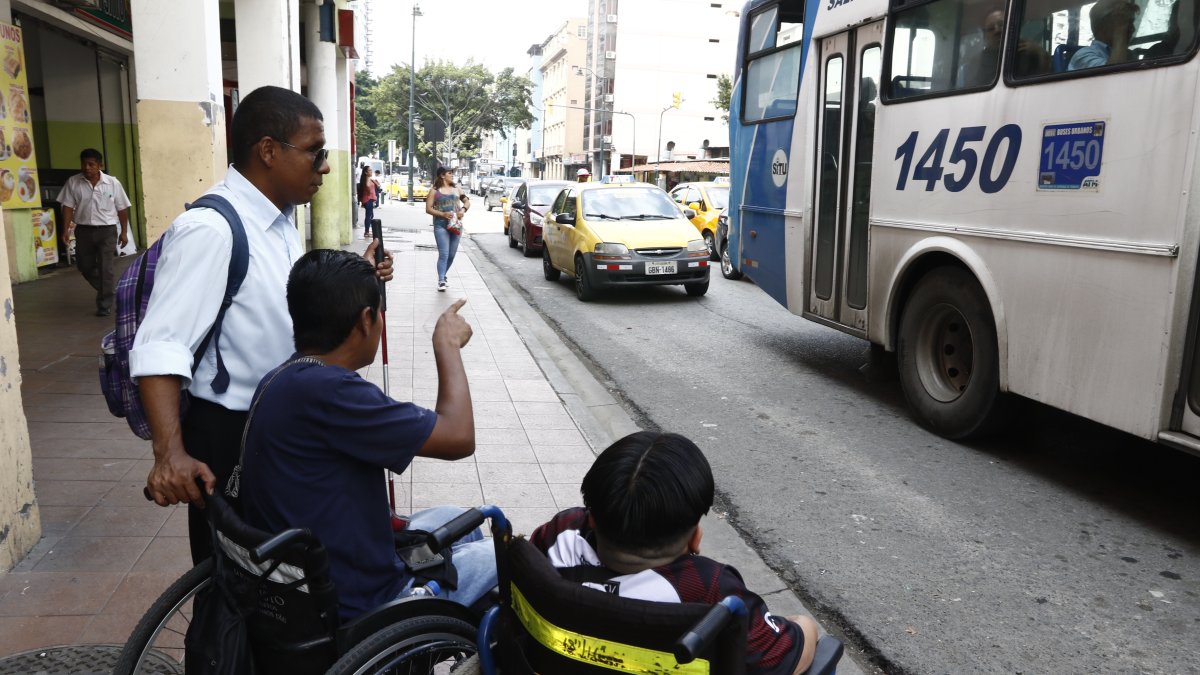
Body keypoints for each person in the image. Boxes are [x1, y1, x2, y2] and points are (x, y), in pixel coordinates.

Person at [131, 85, 394, 564]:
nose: (326, 167)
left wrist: (356, 278)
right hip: (231, 437)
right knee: (233, 589)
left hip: (278, 424)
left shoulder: (279, 223)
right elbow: (160, 347)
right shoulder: (211, 230)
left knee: (280, 583)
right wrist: (169, 454)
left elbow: (281, 308)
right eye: (315, 154)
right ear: (268, 151)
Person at [239, 248, 496, 620]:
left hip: (308, 570)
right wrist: (447, 346)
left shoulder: (285, 378)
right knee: (512, 554)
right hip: (363, 598)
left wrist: (354, 278)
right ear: (365, 319)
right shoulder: (333, 393)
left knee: (461, 522)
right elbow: (458, 437)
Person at [531, 431, 820, 675]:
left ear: (592, 517)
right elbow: (781, 662)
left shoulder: (562, 531)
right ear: (695, 538)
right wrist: (804, 626)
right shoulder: (710, 590)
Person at [59, 148, 132, 316]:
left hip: (107, 231)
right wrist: (65, 230)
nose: (87, 167)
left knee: (106, 268)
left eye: (91, 164)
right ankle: (109, 290)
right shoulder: (73, 182)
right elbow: (68, 207)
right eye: (84, 164)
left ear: (100, 165)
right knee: (84, 266)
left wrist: (124, 233)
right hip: (83, 231)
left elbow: (122, 209)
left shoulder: (113, 183)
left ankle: (104, 304)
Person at [961, 9, 1050, 85]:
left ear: (1012, 26)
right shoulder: (977, 61)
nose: (997, 30)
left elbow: (1046, 80)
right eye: (991, 29)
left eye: (1002, 25)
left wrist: (1039, 52)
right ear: (985, 36)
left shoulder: (1028, 50)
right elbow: (972, 91)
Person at [425, 166, 469, 292]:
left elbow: (467, 202)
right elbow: (428, 209)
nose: (452, 175)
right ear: (442, 175)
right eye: (450, 173)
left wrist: (463, 210)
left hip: (456, 225)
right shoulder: (435, 191)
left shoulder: (457, 189)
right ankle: (441, 280)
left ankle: (443, 275)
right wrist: (442, 214)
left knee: (451, 255)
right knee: (444, 254)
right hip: (441, 226)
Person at [1069, 0, 1138, 70]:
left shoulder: (1128, 54)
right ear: (1103, 26)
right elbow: (1114, 76)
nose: (1133, 29)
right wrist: (1120, 32)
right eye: (1125, 24)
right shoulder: (1084, 56)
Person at [358, 165, 381, 240]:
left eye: (371, 170)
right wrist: (369, 193)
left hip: (369, 200)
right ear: (365, 172)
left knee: (370, 215)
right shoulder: (367, 180)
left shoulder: (368, 179)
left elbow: (377, 185)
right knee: (369, 216)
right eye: (369, 170)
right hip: (368, 200)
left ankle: (367, 230)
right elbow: (367, 186)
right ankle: (366, 232)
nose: (371, 171)